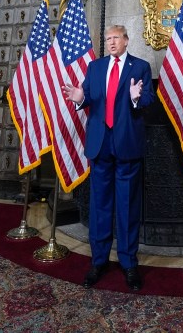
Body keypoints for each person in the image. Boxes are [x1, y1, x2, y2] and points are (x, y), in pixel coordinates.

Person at [62, 25, 154, 291]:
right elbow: (88, 97)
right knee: (100, 205)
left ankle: (128, 263)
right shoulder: (95, 67)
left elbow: (149, 98)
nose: (111, 42)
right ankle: (98, 261)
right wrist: (80, 99)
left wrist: (137, 98)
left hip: (127, 144)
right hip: (100, 145)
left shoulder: (141, 67)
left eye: (115, 38)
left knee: (127, 206)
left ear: (126, 40)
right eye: (107, 39)